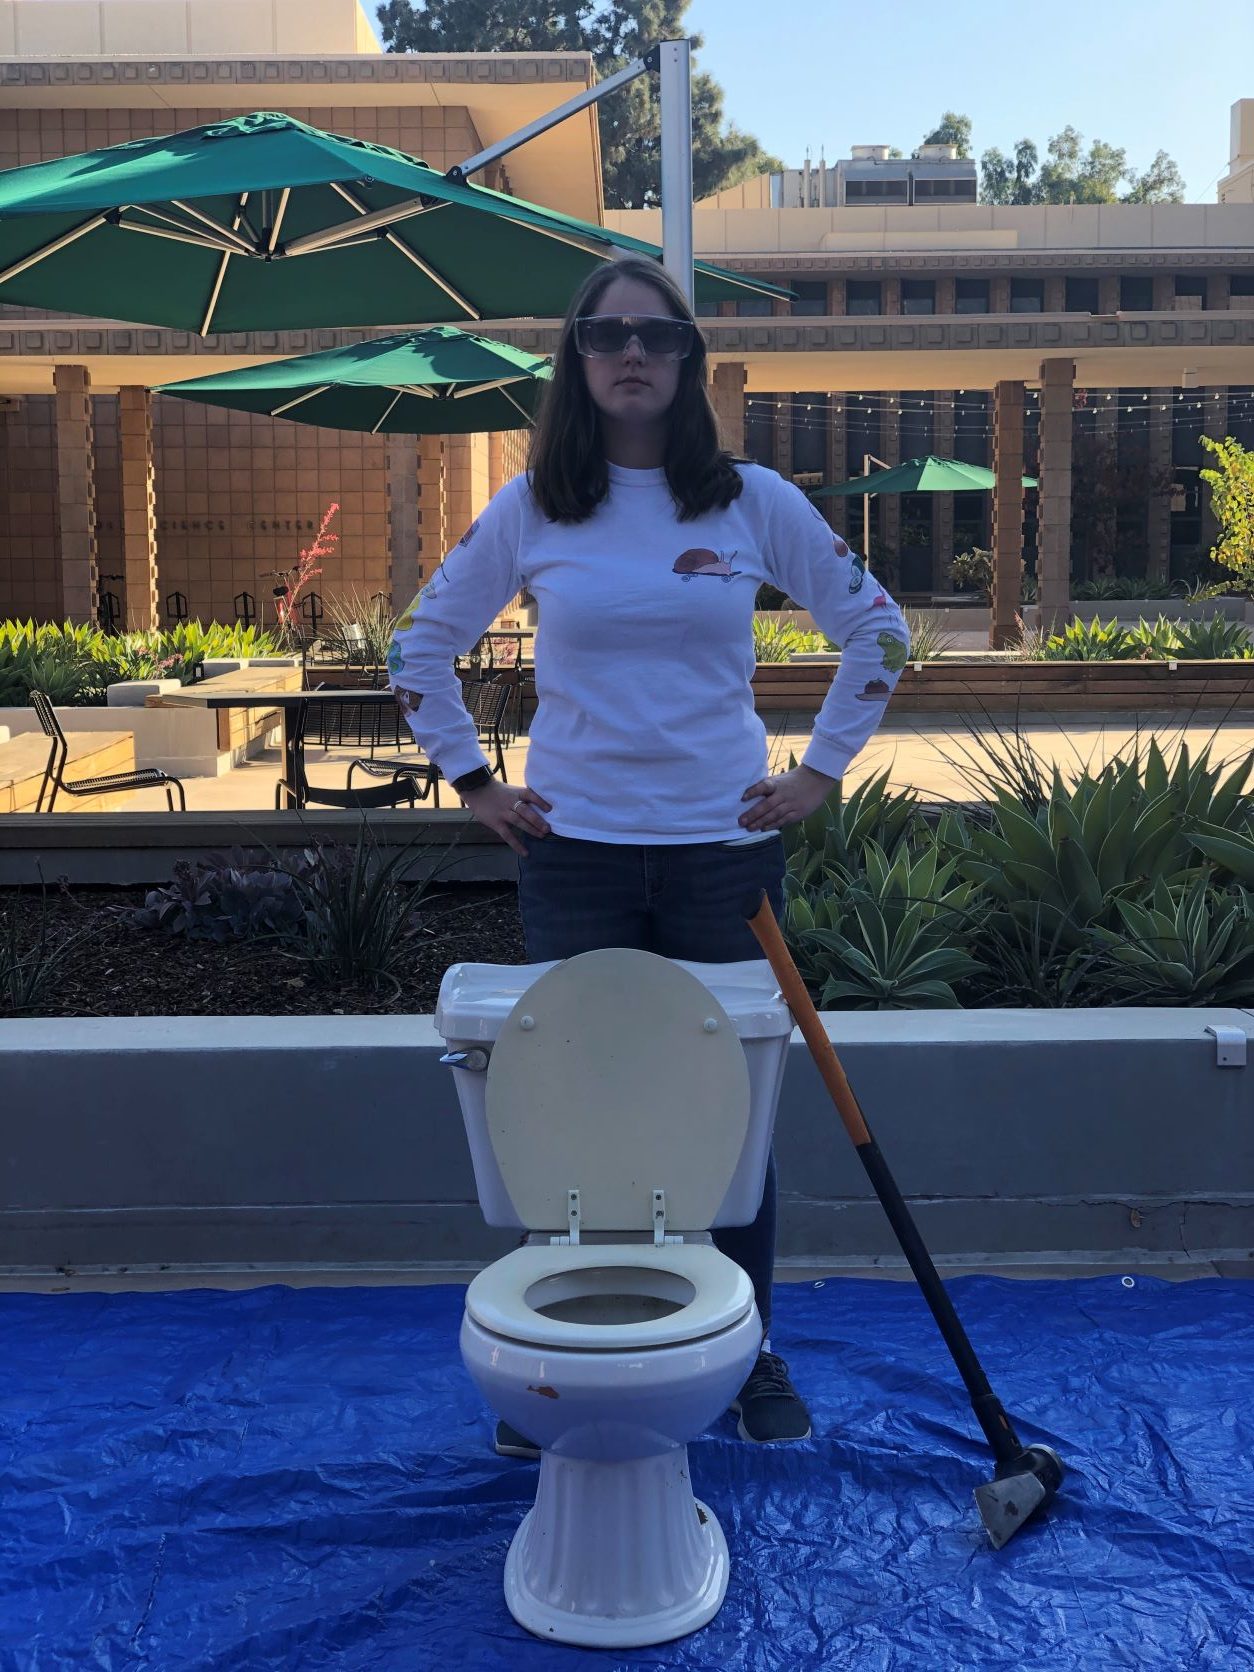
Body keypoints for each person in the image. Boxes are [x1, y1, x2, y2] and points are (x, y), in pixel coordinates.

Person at [388, 254, 910, 1453]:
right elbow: (419, 649)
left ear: (689, 363)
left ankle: (749, 1345)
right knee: (573, 1108)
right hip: (574, 859)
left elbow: (875, 628)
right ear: (577, 358)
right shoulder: (533, 509)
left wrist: (820, 774)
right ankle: (562, 1362)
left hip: (726, 861)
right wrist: (475, 783)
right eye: (610, 335)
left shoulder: (751, 500)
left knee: (729, 1113)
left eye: (660, 337)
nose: (635, 353)